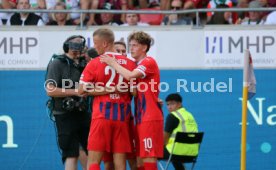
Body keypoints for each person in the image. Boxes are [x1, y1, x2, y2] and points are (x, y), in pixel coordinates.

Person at [100, 31, 164, 170]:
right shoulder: (135, 64)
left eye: (135, 45)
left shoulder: (148, 61)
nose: (131, 49)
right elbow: (134, 91)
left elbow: (130, 76)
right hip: (141, 117)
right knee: (140, 160)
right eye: (131, 45)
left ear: (144, 48)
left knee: (149, 157)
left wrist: (113, 63)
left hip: (150, 117)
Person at [78, 28, 137, 170]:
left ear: (104, 43)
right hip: (122, 117)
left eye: (96, 43)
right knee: (120, 165)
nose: (94, 47)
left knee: (93, 163)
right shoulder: (130, 63)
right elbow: (135, 91)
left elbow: (81, 91)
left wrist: (104, 90)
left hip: (101, 117)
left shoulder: (94, 63)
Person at [45, 35, 90, 170]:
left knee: (87, 151)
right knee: (71, 153)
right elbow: (50, 90)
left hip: (83, 112)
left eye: (80, 44)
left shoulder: (85, 64)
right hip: (64, 114)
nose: (78, 47)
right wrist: (75, 92)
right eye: (74, 44)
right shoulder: (57, 63)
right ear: (66, 46)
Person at [163, 93, 198, 170]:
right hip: (192, 154)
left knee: (148, 152)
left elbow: (164, 140)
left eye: (172, 104)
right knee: (174, 150)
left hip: (176, 153)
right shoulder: (189, 115)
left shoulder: (172, 116)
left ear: (179, 104)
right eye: (167, 104)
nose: (169, 107)